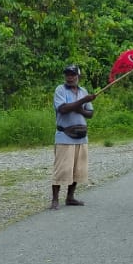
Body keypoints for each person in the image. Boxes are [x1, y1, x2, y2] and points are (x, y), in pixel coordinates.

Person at [53, 65, 96, 210]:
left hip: (81, 136)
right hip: (65, 135)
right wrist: (82, 102)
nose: (69, 77)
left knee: (78, 169)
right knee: (61, 169)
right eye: (67, 74)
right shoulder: (60, 89)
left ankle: (70, 197)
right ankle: (54, 200)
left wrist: (81, 108)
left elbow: (90, 114)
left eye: (72, 74)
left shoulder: (83, 91)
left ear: (78, 76)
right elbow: (63, 109)